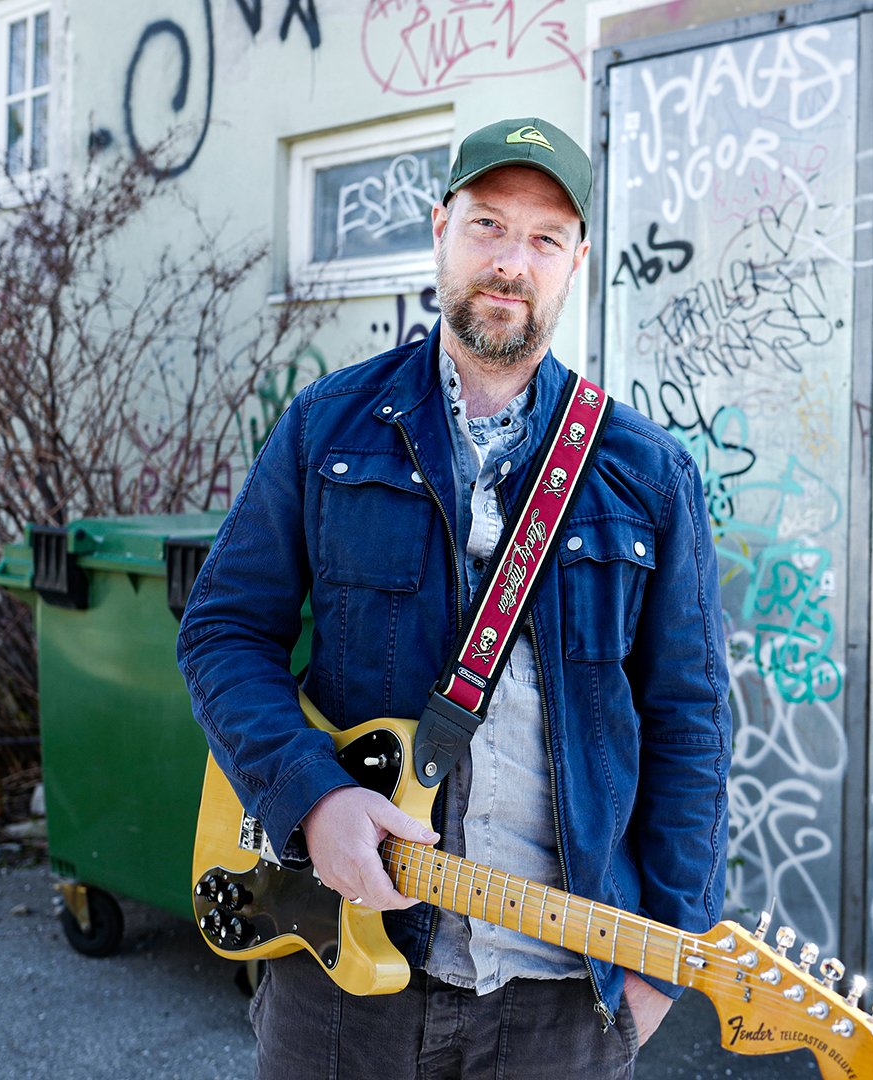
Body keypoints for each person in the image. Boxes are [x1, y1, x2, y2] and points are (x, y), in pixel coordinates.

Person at [176, 117, 733, 1080]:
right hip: (339, 986)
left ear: (577, 262)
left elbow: (691, 724)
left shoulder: (650, 475)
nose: (511, 262)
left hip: (559, 998)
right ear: (439, 227)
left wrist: (662, 965)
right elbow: (222, 633)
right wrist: (311, 799)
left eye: (545, 239)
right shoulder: (326, 425)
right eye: (487, 225)